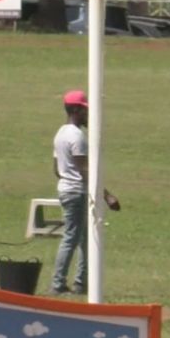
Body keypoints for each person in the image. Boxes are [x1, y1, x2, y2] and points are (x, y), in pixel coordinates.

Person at [49, 90, 118, 294]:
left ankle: (82, 283)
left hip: (66, 189)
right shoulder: (77, 136)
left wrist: (67, 177)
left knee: (84, 238)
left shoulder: (60, 133)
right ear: (76, 110)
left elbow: (56, 169)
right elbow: (85, 171)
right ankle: (58, 284)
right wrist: (107, 196)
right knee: (71, 237)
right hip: (76, 192)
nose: (88, 115)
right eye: (85, 111)